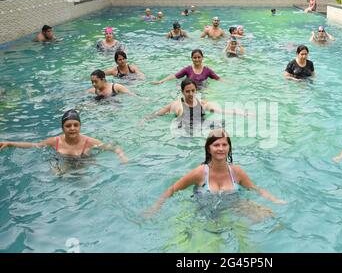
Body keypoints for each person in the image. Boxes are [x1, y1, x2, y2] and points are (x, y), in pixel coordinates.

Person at [143, 128, 285, 217]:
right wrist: (155, 208)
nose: (221, 149)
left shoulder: (237, 172)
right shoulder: (199, 173)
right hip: (203, 213)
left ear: (229, 147)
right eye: (216, 145)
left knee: (270, 217)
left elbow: (255, 189)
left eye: (224, 144)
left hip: (233, 208)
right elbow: (172, 189)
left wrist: (274, 200)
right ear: (208, 148)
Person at [0, 109, 128, 163]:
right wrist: (11, 143)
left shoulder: (89, 142)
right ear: (62, 128)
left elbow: (114, 148)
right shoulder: (54, 141)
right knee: (59, 175)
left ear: (80, 126)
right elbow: (35, 145)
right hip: (63, 161)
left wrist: (122, 156)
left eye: (75, 125)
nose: (72, 128)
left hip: (84, 163)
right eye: (68, 126)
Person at [142, 78, 249, 129]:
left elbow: (221, 110)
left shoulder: (202, 103)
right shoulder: (175, 105)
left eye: (193, 90)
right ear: (182, 92)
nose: (191, 94)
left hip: (202, 125)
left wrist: (242, 113)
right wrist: (144, 120)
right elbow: (157, 114)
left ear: (196, 90)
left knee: (224, 125)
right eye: (187, 91)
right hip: (184, 129)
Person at [151, 49, 221, 90]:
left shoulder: (207, 70)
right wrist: (161, 81)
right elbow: (174, 76)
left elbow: (218, 79)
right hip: (189, 90)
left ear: (202, 58)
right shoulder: (188, 69)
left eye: (199, 57)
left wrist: (230, 83)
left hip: (201, 89)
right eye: (194, 57)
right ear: (192, 58)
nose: (197, 59)